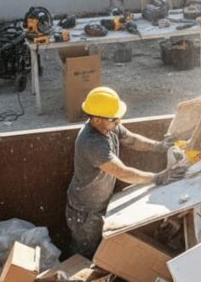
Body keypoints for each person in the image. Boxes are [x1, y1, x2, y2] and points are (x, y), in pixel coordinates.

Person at [66, 86, 185, 258]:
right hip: (85, 213)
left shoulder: (109, 125)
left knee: (101, 252)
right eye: (115, 119)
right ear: (97, 119)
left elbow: (132, 139)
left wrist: (159, 146)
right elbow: (123, 172)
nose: (119, 122)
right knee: (86, 255)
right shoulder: (92, 143)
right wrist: (158, 178)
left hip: (100, 205)